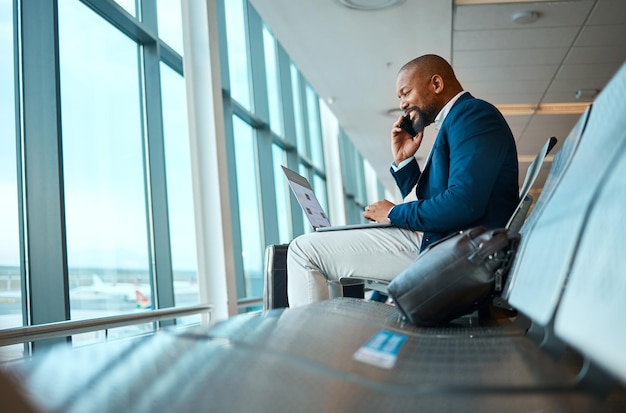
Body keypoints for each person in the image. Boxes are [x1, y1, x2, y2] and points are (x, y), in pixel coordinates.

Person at [287, 54, 519, 308]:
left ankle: (311, 345)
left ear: (437, 84)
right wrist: (403, 160)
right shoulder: (456, 121)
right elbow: (434, 199)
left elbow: (463, 203)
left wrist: (394, 213)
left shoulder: (472, 115)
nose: (402, 104)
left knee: (303, 250)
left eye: (405, 93)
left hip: (452, 248)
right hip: (443, 240)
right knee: (327, 259)